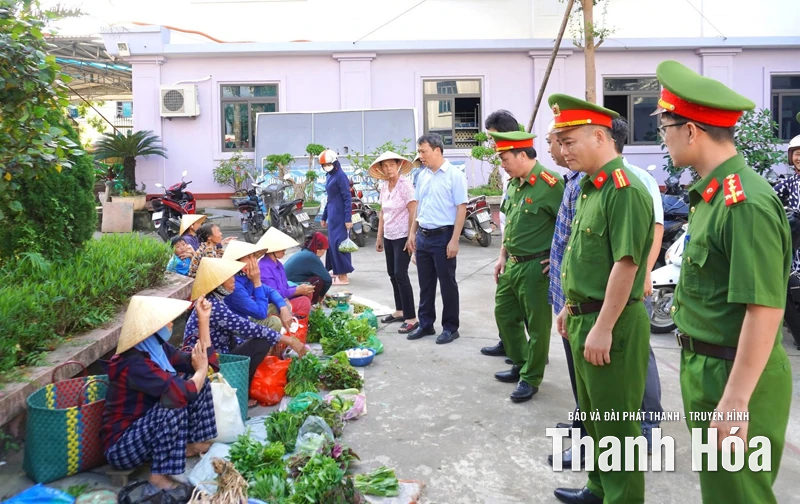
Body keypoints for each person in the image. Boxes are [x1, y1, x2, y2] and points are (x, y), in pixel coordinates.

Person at [654, 60, 792, 504]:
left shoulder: (744, 202)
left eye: (665, 125)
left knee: (739, 495)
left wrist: (734, 402)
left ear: (690, 131)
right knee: (722, 491)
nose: (663, 135)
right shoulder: (713, 194)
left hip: (735, 376)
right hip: (709, 367)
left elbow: (765, 308)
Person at [549, 93, 654, 504]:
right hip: (583, 317)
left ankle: (621, 497)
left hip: (611, 323)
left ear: (599, 136)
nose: (562, 150)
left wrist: (602, 327)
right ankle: (598, 488)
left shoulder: (623, 190)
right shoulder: (592, 188)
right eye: (560, 141)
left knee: (617, 426)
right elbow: (583, 258)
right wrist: (567, 308)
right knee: (594, 417)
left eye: (570, 140)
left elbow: (625, 266)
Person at [102, 295, 217, 492]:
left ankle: (195, 444)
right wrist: (200, 370)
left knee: (197, 379)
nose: (171, 325)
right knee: (175, 398)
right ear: (152, 329)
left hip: (148, 432)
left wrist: (203, 320)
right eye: (167, 321)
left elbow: (207, 364)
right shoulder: (133, 363)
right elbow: (182, 392)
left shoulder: (158, 348)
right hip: (123, 447)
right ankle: (158, 476)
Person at [489, 130, 563, 403]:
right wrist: (502, 256)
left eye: (505, 158)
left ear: (523, 155)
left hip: (536, 266)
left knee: (538, 325)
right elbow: (511, 226)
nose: (502, 165)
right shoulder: (514, 184)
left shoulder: (551, 184)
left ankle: (531, 377)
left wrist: (557, 259)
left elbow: (568, 225)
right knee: (504, 315)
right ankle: (520, 363)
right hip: (512, 264)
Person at [610, 116, 666, 451]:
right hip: (601, 287)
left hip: (632, 285)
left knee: (639, 353)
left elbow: (656, 228)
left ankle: (649, 423)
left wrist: (645, 273)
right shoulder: (595, 181)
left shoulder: (639, 179)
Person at [183, 258, 306, 405]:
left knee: (259, 339)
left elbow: (268, 293)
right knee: (262, 341)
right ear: (218, 284)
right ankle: (242, 393)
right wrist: (291, 341)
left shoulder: (219, 298)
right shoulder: (213, 305)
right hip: (212, 361)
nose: (233, 280)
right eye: (229, 277)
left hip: (222, 351)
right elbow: (249, 328)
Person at [544, 120, 588, 468]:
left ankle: (594, 436)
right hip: (567, 298)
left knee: (596, 382)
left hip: (588, 306)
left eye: (559, 142)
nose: (555, 149)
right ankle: (582, 419)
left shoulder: (604, 185)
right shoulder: (571, 181)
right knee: (578, 374)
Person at [406, 133, 468, 344]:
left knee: (447, 284)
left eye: (423, 151)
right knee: (426, 283)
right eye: (419, 151)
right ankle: (426, 324)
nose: (420, 156)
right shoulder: (422, 175)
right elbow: (419, 206)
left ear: (437, 150)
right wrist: (412, 233)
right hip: (423, 235)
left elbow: (461, 208)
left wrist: (455, 240)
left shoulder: (454, 175)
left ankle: (451, 327)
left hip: (444, 236)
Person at [481, 109, 521, 360]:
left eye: (494, 138)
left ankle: (530, 352)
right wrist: (502, 253)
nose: (492, 144)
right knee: (507, 304)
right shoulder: (507, 170)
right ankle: (508, 342)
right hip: (510, 245)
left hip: (529, 254)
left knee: (527, 309)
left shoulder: (527, 169)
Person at [371, 151, 419, 334]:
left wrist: (410, 236)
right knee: (392, 273)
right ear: (381, 169)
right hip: (389, 236)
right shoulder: (384, 186)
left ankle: (411, 317)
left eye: (392, 164)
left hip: (403, 236)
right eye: (385, 165)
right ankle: (400, 310)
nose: (388, 168)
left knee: (401, 274)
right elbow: (383, 212)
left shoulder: (405, 185)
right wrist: (379, 237)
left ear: (398, 165)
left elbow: (413, 211)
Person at [221, 240, 288, 333]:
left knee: (283, 304)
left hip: (249, 315)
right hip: (237, 328)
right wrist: (257, 281)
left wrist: (283, 307)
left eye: (253, 257)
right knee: (274, 322)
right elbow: (260, 313)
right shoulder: (234, 284)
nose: (254, 261)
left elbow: (270, 291)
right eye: (249, 257)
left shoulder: (245, 276)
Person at [773, 126, 800, 348]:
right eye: (796, 153)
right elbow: (769, 196)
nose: (799, 158)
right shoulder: (789, 182)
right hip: (793, 241)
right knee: (789, 287)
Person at [258, 227, 317, 318]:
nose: (285, 250)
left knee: (308, 293)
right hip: (272, 304)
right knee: (304, 302)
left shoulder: (278, 264)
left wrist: (300, 289)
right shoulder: (264, 267)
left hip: (283, 297)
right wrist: (297, 290)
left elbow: (285, 286)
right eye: (282, 247)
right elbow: (273, 295)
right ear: (273, 249)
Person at [319, 149, 354, 285]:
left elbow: (347, 198)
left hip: (340, 215)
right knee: (332, 245)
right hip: (332, 214)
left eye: (327, 163)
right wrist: (324, 216)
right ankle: (336, 270)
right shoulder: (329, 175)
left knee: (340, 244)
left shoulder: (341, 176)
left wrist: (348, 219)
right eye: (323, 165)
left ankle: (344, 276)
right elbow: (330, 198)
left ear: (334, 161)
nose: (325, 166)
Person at [284, 232, 333, 304]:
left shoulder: (305, 252)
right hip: (290, 287)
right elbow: (328, 280)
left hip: (287, 284)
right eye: (324, 250)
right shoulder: (311, 257)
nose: (324, 253)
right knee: (318, 281)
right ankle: (313, 303)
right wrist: (321, 296)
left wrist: (324, 293)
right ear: (319, 249)